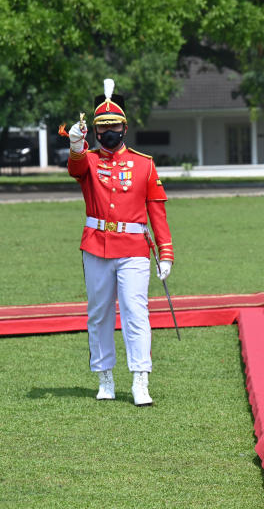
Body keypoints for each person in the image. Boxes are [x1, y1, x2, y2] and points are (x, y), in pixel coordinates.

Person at [67, 78, 173, 406]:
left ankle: (141, 378)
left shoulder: (144, 164)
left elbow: (156, 211)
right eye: (102, 129)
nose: (108, 133)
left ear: (124, 128)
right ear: (95, 132)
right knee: (99, 313)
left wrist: (165, 251)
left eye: (113, 126)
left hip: (134, 249)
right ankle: (105, 376)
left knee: (134, 311)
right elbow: (75, 165)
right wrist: (74, 144)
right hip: (96, 245)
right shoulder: (90, 160)